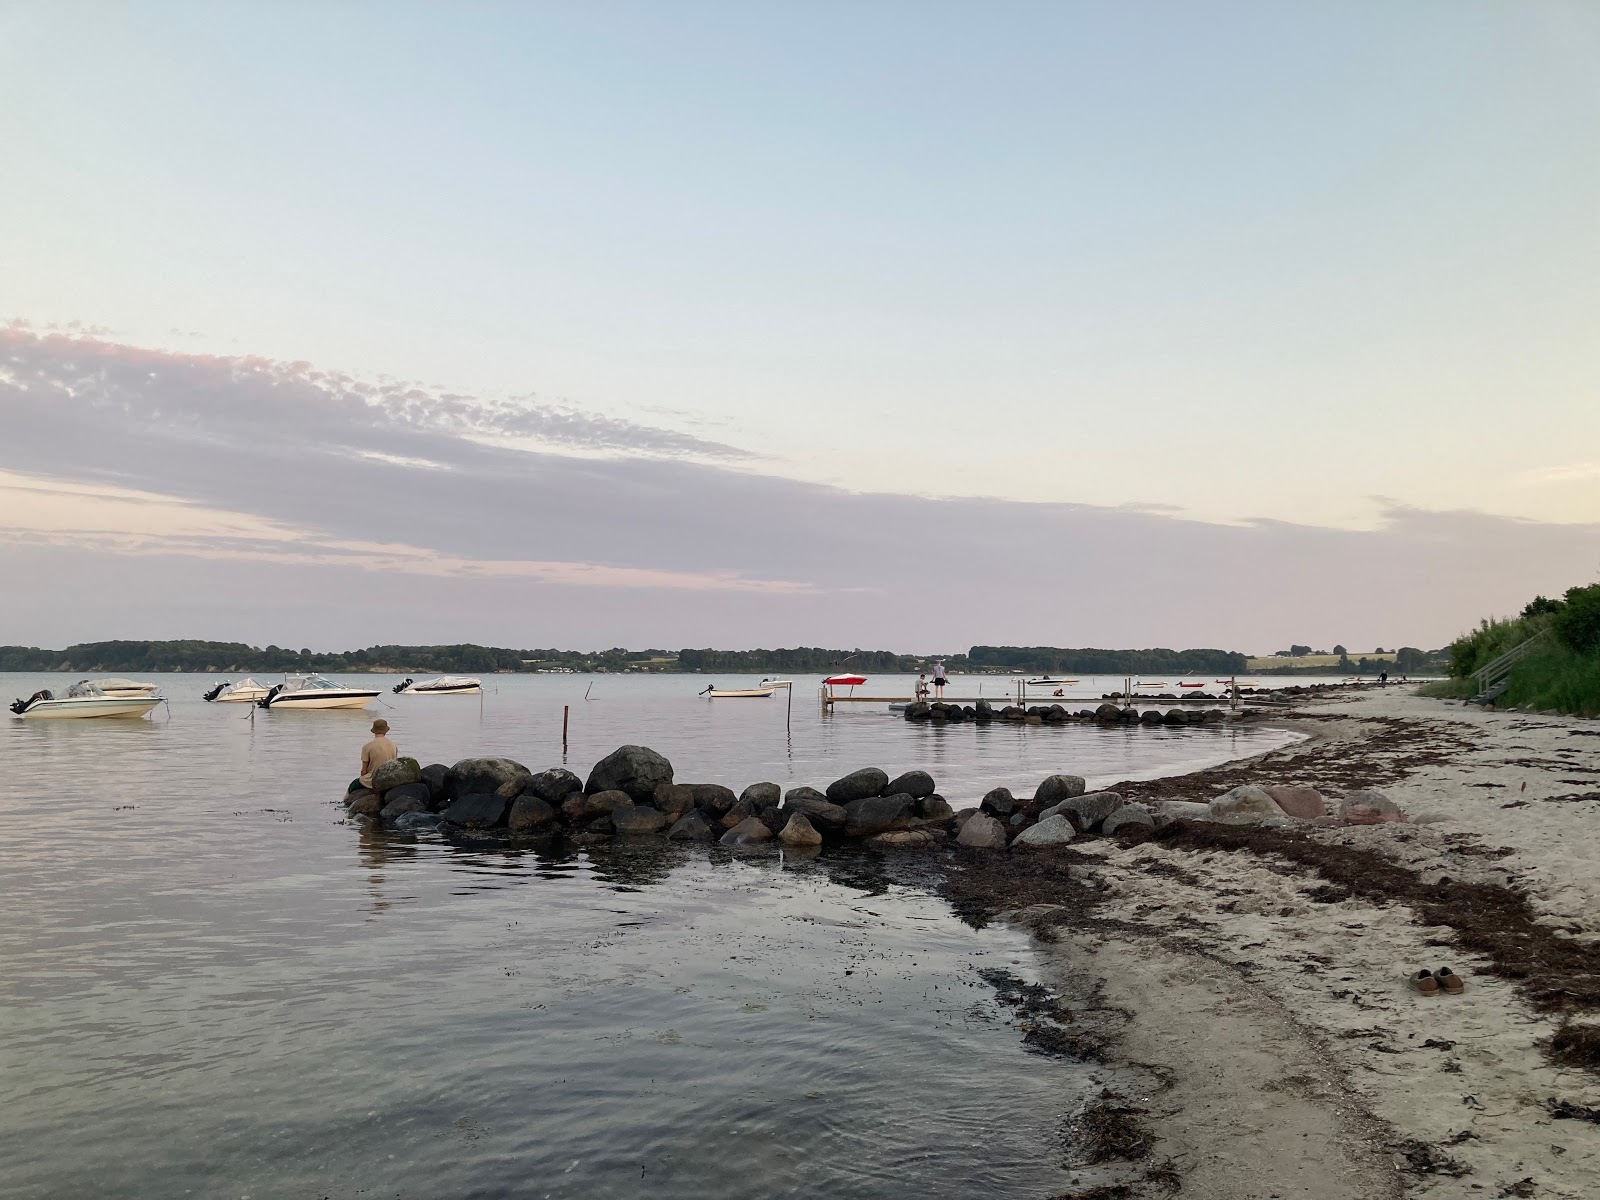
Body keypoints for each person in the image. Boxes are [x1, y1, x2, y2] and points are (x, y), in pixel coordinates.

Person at [356, 718, 398, 790]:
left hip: (372, 781)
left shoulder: (367, 747)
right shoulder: (393, 745)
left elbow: (364, 770)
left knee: (353, 785)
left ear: (374, 731)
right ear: (385, 731)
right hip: (388, 779)